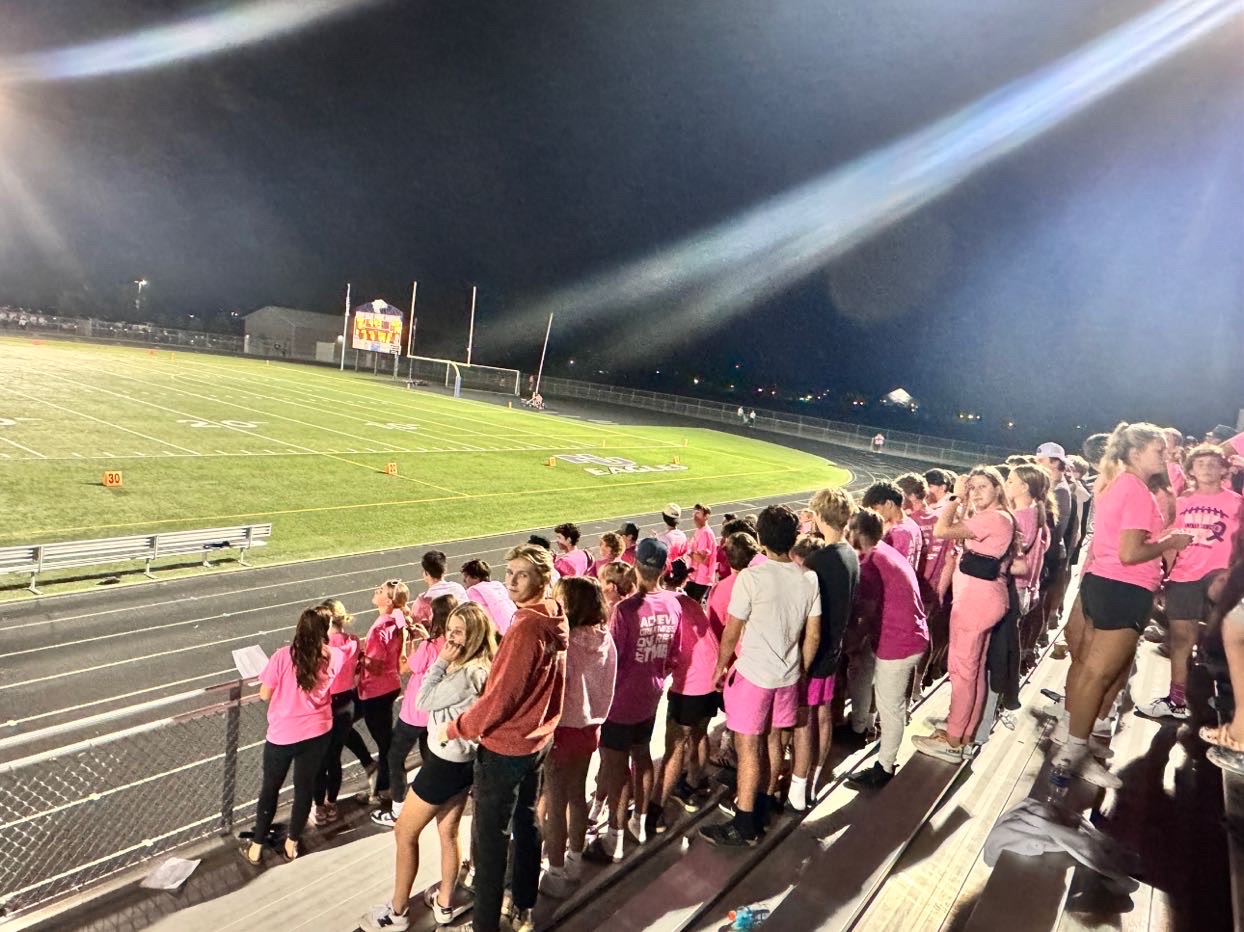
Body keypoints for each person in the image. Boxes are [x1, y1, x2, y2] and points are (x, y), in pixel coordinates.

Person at [1052, 422, 1192, 787]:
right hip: (1125, 588)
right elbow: (1131, 553)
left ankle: (1076, 745)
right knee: (1098, 675)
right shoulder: (1137, 491)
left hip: (1104, 582)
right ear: (1135, 453)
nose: (1166, 456)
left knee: (1095, 672)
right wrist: (1170, 541)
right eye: (1158, 450)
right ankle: (1073, 754)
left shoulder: (1118, 483)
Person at [441, 544, 568, 932]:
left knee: (490, 841)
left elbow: (501, 697)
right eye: (509, 572)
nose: (511, 581)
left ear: (542, 579)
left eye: (522, 574)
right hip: (536, 742)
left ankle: (484, 926)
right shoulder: (554, 618)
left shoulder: (527, 627)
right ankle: (523, 906)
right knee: (527, 822)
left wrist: (458, 726)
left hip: (506, 747)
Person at [364, 603, 498, 931]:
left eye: (457, 633)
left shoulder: (468, 672)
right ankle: (444, 904)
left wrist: (440, 661)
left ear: (474, 636)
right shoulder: (480, 665)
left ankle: (396, 912)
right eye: (448, 630)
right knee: (447, 831)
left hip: (445, 763)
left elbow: (423, 702)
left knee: (404, 831)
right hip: (463, 761)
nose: (449, 639)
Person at [700, 505, 821, 847]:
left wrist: (721, 666)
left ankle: (744, 822)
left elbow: (732, 630)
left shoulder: (752, 578)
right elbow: (812, 635)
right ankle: (764, 804)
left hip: (755, 673)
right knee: (774, 741)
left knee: (748, 746)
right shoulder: (808, 578)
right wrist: (802, 669)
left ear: (762, 539)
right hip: (788, 674)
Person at [585, 538, 683, 861]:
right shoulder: (673, 603)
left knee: (615, 768)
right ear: (664, 567)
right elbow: (675, 654)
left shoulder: (624, 611)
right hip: (650, 695)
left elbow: (611, 659)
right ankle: (639, 823)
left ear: (636, 564)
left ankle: (614, 837)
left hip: (620, 701)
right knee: (642, 757)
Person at [912, 467, 1015, 762]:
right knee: (973, 670)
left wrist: (956, 496)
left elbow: (942, 530)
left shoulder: (994, 518)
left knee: (962, 672)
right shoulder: (994, 517)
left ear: (998, 489)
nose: (977, 492)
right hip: (983, 599)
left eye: (983, 486)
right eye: (973, 488)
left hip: (976, 603)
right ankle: (963, 732)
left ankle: (954, 741)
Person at [1137, 444, 1240, 720]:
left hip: (1220, 578)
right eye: (1200, 463)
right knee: (1182, 640)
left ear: (1224, 469)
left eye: (1212, 463)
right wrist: (1163, 577)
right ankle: (1177, 700)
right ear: (1191, 470)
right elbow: (1168, 544)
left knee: (1225, 640)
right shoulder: (1180, 503)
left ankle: (1230, 702)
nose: (1206, 467)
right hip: (1184, 577)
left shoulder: (1237, 503)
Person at [242, 606, 340, 865]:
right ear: (325, 630)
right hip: (318, 730)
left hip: (283, 734)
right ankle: (291, 845)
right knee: (304, 788)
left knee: (270, 789)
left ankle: (256, 846)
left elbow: (265, 694)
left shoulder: (283, 656)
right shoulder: (334, 656)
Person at [540, 577, 617, 898]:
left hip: (563, 730)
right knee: (576, 794)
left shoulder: (566, 644)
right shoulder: (605, 639)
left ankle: (555, 872)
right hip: (591, 729)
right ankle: (574, 859)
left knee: (555, 804)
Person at [844, 510, 928, 788]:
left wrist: (851, 642)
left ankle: (885, 766)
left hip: (899, 641)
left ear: (856, 532)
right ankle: (861, 727)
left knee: (890, 707)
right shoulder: (885, 553)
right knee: (873, 684)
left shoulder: (872, 562)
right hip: (908, 635)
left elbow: (866, 612)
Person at [791, 488, 859, 804]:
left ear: (818, 516)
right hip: (835, 648)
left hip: (814, 652)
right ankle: (815, 780)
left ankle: (797, 790)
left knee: (804, 721)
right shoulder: (850, 554)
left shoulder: (820, 560)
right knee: (823, 716)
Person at [372, 594, 456, 827]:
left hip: (415, 713)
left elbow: (404, 665)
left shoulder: (430, 647)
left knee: (394, 757)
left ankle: (398, 810)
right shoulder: (455, 643)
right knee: (429, 756)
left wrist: (409, 640)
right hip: (437, 713)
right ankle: (434, 800)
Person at [650, 561, 721, 828]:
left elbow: (666, 651)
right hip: (711, 674)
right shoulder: (687, 600)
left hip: (691, 682)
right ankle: (698, 782)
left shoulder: (663, 605)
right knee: (699, 732)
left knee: (675, 744)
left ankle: (655, 811)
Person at [357, 579, 410, 803]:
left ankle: (386, 789)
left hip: (376, 690)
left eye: (380, 591)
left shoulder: (381, 626)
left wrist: (357, 656)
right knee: (385, 740)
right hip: (390, 685)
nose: (375, 591)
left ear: (388, 601)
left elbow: (375, 664)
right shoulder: (394, 621)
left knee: (385, 742)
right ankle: (383, 784)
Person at [313, 599, 362, 826]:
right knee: (334, 757)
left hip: (325, 705)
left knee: (319, 760)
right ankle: (332, 803)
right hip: (347, 703)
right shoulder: (353, 641)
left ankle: (319, 807)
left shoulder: (324, 647)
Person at [461, 559, 517, 636]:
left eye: (466, 576)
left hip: (498, 634)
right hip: (515, 625)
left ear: (476, 577)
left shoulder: (473, 591)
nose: (464, 580)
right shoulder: (498, 586)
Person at [409, 551, 469, 623]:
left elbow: (415, 625)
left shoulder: (423, 600)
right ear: (445, 571)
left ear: (426, 573)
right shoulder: (458, 588)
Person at [685, 503, 718, 604]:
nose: (695, 516)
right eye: (694, 513)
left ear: (706, 516)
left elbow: (702, 559)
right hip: (695, 577)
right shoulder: (699, 531)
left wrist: (690, 552)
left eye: (698, 513)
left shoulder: (705, 533)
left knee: (693, 607)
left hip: (702, 578)